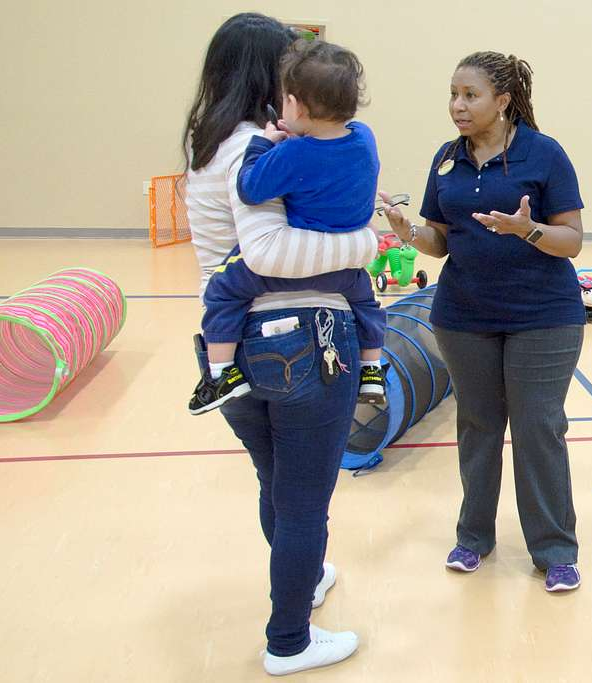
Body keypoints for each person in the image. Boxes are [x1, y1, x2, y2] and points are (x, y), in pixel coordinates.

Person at [184, 13, 379, 674]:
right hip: (297, 341)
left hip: (233, 343)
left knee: (279, 485)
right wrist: (364, 246)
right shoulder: (254, 148)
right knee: (302, 501)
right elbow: (270, 249)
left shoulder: (209, 143)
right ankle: (289, 638)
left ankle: (306, 579)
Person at [378, 51, 586, 592]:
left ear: (503, 100)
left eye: (470, 95)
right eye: (453, 94)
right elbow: (439, 241)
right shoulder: (447, 159)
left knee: (539, 428)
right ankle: (473, 538)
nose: (457, 105)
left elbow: (572, 241)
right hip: (464, 317)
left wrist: (526, 230)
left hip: (543, 318)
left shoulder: (545, 155)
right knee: (478, 427)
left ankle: (555, 549)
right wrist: (406, 231)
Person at [188, 39, 387, 416]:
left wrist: (264, 146)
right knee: (369, 303)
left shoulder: (293, 153)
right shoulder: (364, 138)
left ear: (294, 105)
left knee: (224, 288)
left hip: (290, 270)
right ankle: (372, 367)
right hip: (346, 273)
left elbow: (250, 188)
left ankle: (220, 373)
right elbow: (331, 157)